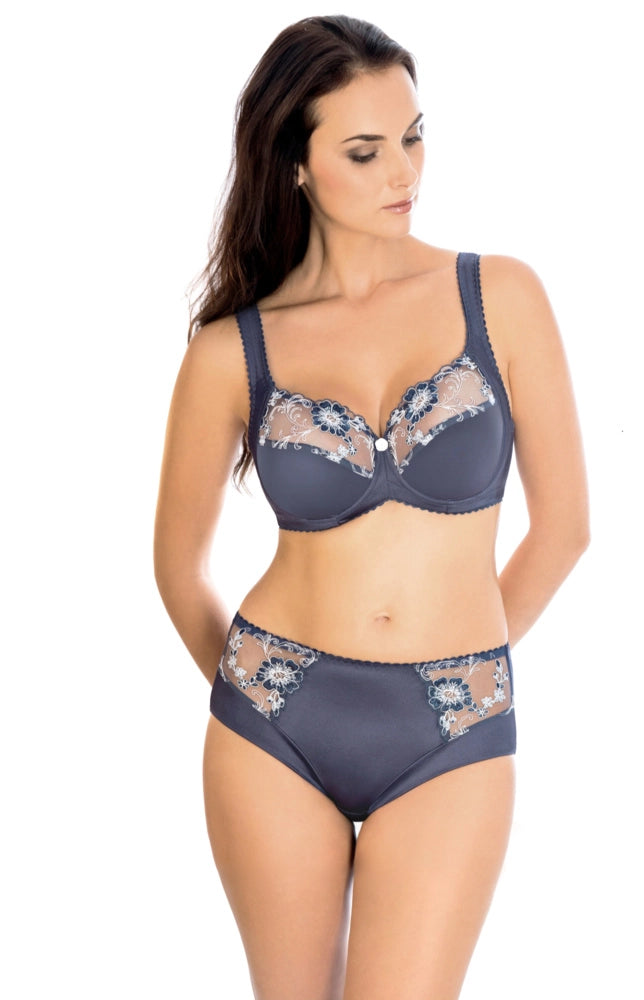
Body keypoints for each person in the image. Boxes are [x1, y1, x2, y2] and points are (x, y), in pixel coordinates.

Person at [154, 14, 589, 1000]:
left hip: (452, 723)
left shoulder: (500, 295)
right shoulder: (231, 350)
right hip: (276, 725)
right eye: (364, 150)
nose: (404, 171)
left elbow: (566, 526)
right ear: (295, 165)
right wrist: (264, 694)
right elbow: (178, 567)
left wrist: (460, 667)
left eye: (413, 136)